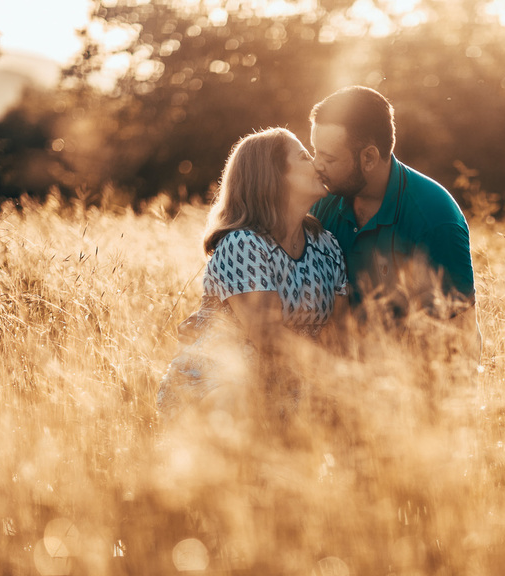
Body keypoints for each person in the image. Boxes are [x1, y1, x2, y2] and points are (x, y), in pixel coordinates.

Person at [157, 127, 348, 420]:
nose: (317, 165)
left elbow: (340, 329)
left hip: (296, 382)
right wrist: (342, 374)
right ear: (274, 175)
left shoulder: (326, 244)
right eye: (304, 157)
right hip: (223, 382)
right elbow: (268, 336)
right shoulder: (243, 243)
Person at [309, 86, 479, 357]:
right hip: (327, 369)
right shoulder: (321, 199)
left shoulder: (434, 217)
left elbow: (461, 334)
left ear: (369, 158)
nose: (316, 165)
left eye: (328, 157)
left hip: (404, 374)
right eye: (314, 152)